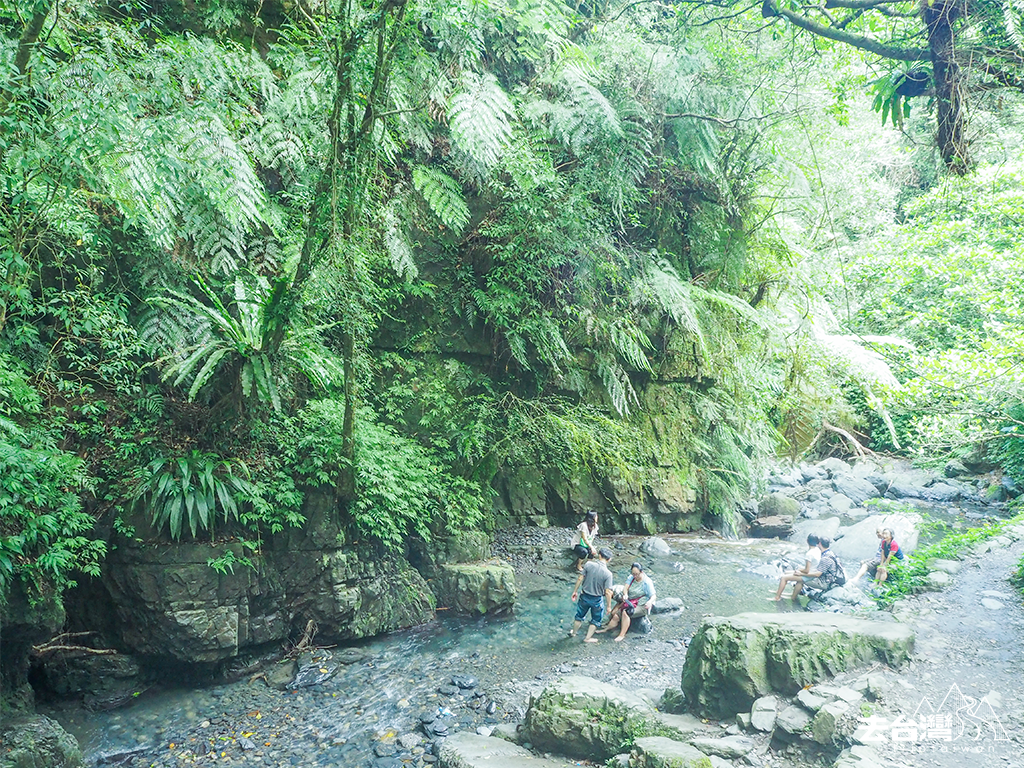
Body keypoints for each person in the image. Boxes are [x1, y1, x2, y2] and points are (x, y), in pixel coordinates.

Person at [598, 562, 656, 641]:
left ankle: (622, 634)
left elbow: (653, 596)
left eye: (637, 574)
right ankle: (606, 629)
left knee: (626, 612)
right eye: (633, 574)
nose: (635, 576)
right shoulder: (631, 577)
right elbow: (625, 588)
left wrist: (650, 602)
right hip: (630, 601)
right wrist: (625, 594)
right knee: (615, 615)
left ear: (641, 572)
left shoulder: (647, 582)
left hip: (642, 604)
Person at [569, 547, 614, 643]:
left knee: (579, 616)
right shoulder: (608, 574)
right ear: (609, 559)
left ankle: (574, 633)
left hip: (584, 596)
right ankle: (587, 638)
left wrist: (575, 591)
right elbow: (607, 592)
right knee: (596, 619)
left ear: (599, 555)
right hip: (597, 599)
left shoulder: (588, 564)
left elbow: (580, 578)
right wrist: (609, 606)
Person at [772, 534, 820, 601]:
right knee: (786, 573)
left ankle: (777, 597)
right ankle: (790, 596)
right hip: (813, 572)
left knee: (783, 578)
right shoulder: (818, 550)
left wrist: (799, 570)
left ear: (807, 541)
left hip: (808, 575)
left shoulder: (809, 554)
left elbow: (806, 570)